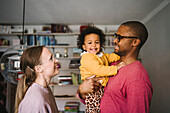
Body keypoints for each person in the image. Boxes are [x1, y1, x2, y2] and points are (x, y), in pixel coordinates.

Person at [79, 21, 153, 113]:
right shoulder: (109, 65)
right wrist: (82, 92)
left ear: (135, 42)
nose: (114, 40)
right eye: (116, 36)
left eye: (120, 37)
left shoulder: (138, 78)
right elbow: (95, 100)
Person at [77, 25, 126, 113]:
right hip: (93, 88)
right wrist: (116, 68)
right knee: (93, 109)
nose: (93, 45)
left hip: (99, 86)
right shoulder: (87, 57)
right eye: (90, 43)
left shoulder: (100, 55)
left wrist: (121, 55)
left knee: (101, 106)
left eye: (96, 42)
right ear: (84, 47)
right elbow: (99, 70)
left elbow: (110, 57)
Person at [14, 46, 59, 113]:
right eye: (51, 58)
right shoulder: (34, 100)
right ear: (38, 69)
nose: (56, 60)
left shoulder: (45, 89)